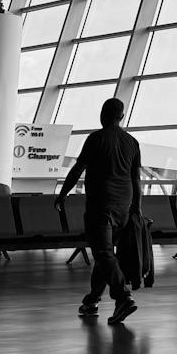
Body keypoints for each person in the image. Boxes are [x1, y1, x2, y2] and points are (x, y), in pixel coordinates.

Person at [59, 98, 144, 324]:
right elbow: (136, 179)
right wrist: (136, 208)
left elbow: (78, 168)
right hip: (123, 209)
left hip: (100, 207)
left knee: (104, 253)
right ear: (122, 117)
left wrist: (62, 193)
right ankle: (92, 301)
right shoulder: (132, 142)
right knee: (104, 255)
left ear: (102, 114)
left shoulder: (96, 138)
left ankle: (123, 296)